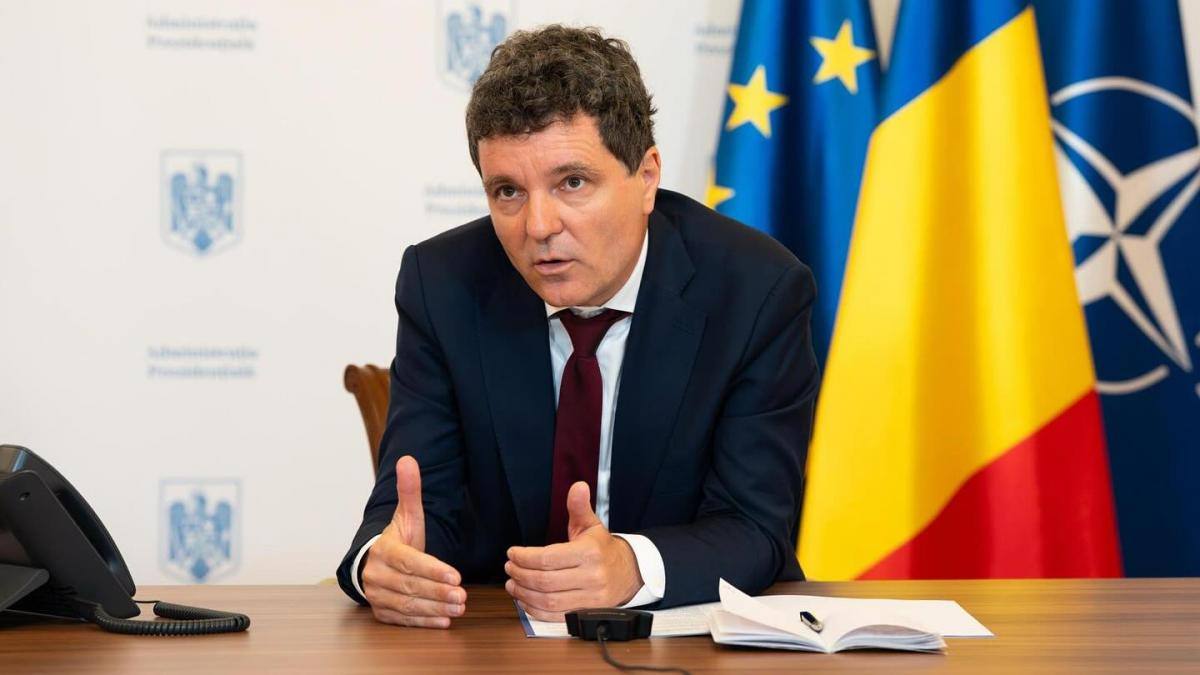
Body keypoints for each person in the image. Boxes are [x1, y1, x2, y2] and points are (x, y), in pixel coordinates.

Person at [336, 25, 819, 628]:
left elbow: (755, 526)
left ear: (647, 177)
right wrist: (379, 564)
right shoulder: (443, 284)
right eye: (508, 191)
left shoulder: (755, 291)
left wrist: (632, 566)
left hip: (688, 639)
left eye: (572, 183)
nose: (538, 226)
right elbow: (412, 508)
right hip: (494, 639)